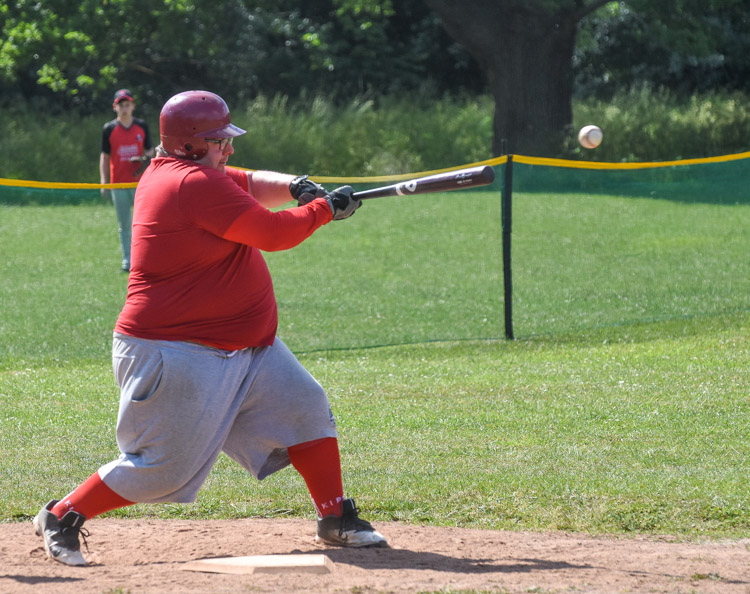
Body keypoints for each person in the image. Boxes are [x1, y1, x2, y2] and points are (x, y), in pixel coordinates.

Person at [34, 90, 386, 567]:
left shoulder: (189, 171)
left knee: (305, 407)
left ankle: (335, 516)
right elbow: (274, 234)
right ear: (190, 145)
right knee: (162, 470)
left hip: (247, 347)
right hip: (176, 350)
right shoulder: (190, 183)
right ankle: (62, 515)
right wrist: (325, 209)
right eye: (220, 141)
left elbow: (250, 182)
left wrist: (299, 187)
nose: (229, 148)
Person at [100, 88, 155, 273]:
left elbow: (150, 150)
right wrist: (104, 182)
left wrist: (144, 159)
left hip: (140, 183)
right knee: (124, 225)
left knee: (144, 223)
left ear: (133, 106)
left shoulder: (141, 126)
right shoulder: (109, 128)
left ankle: (145, 259)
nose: (124, 108)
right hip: (118, 183)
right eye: (121, 105)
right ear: (115, 107)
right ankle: (128, 261)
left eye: (127, 105)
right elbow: (105, 156)